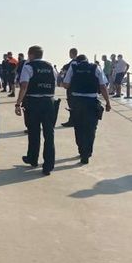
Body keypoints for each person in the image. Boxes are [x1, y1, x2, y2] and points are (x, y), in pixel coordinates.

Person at [14, 46, 57, 176]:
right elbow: (55, 83)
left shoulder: (28, 67)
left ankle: (32, 158)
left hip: (33, 102)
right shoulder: (51, 67)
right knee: (49, 134)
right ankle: (48, 165)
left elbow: (24, 86)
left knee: (34, 132)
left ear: (31, 54)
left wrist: (18, 103)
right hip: (49, 102)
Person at [62, 54, 112, 164]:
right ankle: (87, 152)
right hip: (92, 102)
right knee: (91, 128)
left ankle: (81, 150)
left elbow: (65, 84)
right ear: (87, 60)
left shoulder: (73, 67)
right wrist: (108, 102)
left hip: (77, 102)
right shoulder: (95, 67)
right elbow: (103, 86)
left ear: (77, 61)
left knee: (78, 128)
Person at [60, 48, 79, 127]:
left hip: (71, 86)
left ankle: (72, 121)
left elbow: (67, 73)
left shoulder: (72, 63)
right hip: (78, 86)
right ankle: (76, 120)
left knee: (71, 103)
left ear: (71, 53)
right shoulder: (80, 62)